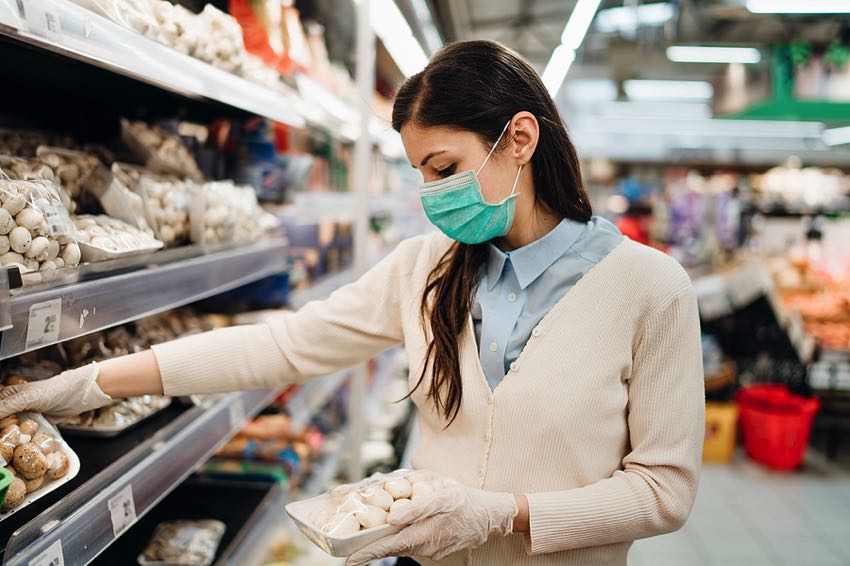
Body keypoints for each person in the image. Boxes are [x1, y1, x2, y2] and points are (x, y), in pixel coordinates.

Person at [0, 40, 704, 566]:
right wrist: (82, 385)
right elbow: (279, 345)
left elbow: (661, 493)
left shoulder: (650, 290)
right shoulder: (424, 270)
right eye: (420, 174)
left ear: (519, 138)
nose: (431, 194)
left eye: (446, 169)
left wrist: (499, 515)